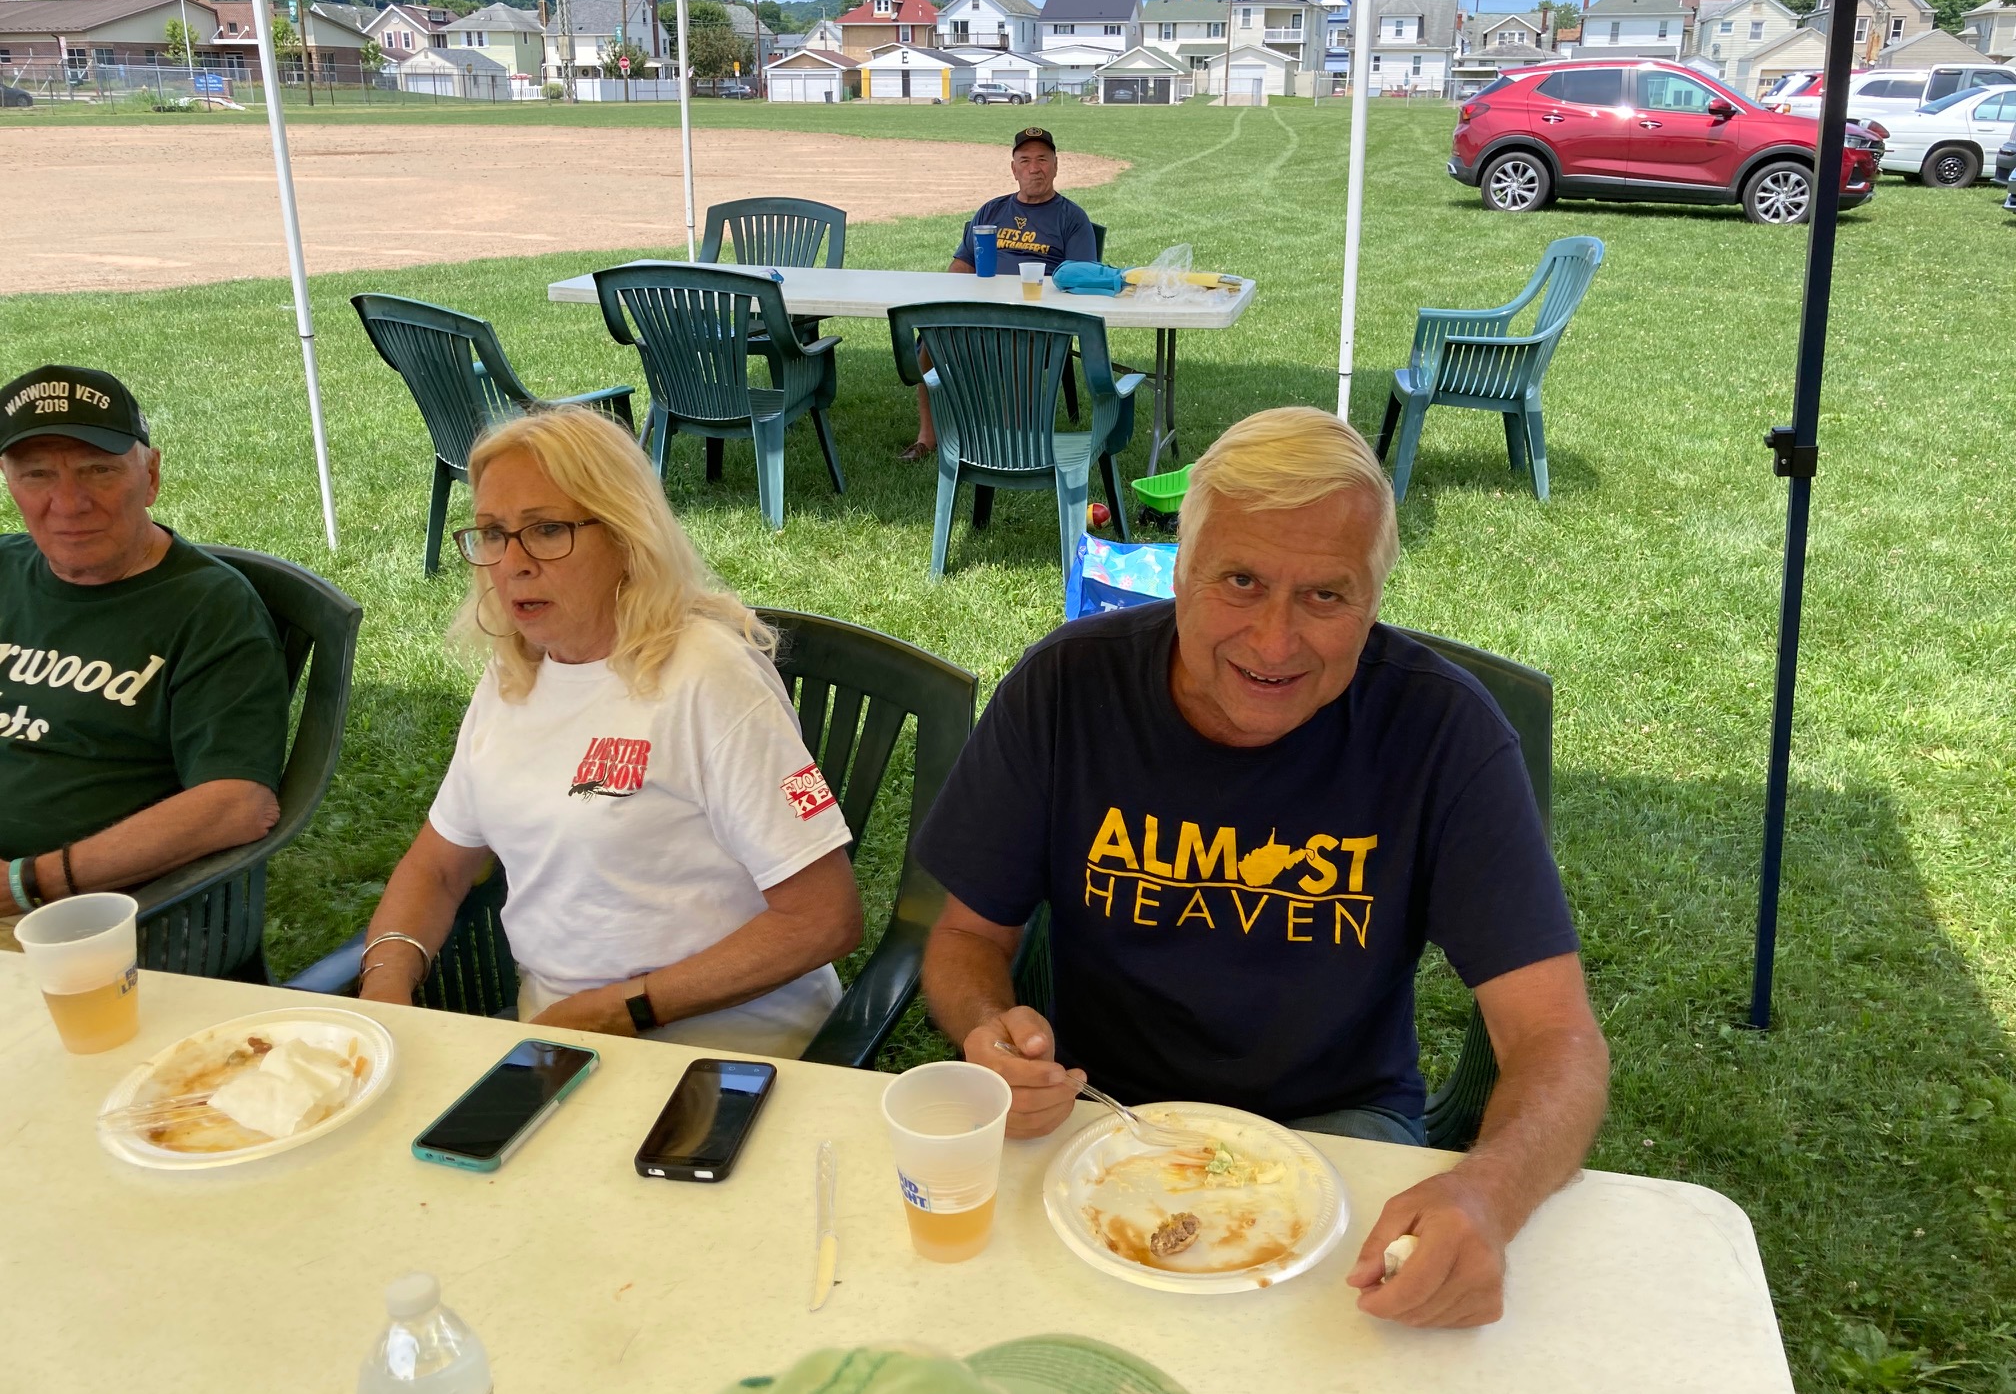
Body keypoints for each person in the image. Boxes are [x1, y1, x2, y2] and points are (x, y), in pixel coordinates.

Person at [915, 407, 1610, 1329]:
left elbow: (1557, 1037)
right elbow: (965, 937)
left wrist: (1490, 1192)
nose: (1275, 643)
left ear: (1375, 598)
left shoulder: (1444, 734)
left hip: (1340, 1124)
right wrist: (988, 1029)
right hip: (1105, 1116)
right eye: (1240, 581)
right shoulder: (1065, 689)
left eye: (1326, 596)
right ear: (1179, 569)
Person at [357, 407, 862, 1057]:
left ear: (628, 535)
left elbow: (823, 918)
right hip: (560, 1039)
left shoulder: (707, 676)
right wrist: (385, 985)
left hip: (727, 1051)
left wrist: (622, 1011)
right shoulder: (515, 671)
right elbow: (437, 868)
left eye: (546, 530)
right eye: (493, 534)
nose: (511, 564)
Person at [0, 364, 289, 914]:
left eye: (98, 470)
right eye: (36, 475)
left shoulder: (208, 608)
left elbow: (238, 803)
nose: (69, 502)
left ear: (150, 475)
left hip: (77, 917)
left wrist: (29, 881)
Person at [900, 126, 1100, 461]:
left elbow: (1081, 279)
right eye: (1025, 160)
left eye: (1042, 159)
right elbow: (962, 265)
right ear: (1013, 168)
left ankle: (1010, 441)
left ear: (1055, 165)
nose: (1034, 168)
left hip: (1036, 320)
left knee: (1018, 346)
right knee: (931, 340)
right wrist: (945, 305)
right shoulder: (991, 211)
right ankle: (927, 437)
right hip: (981, 313)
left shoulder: (1072, 218)